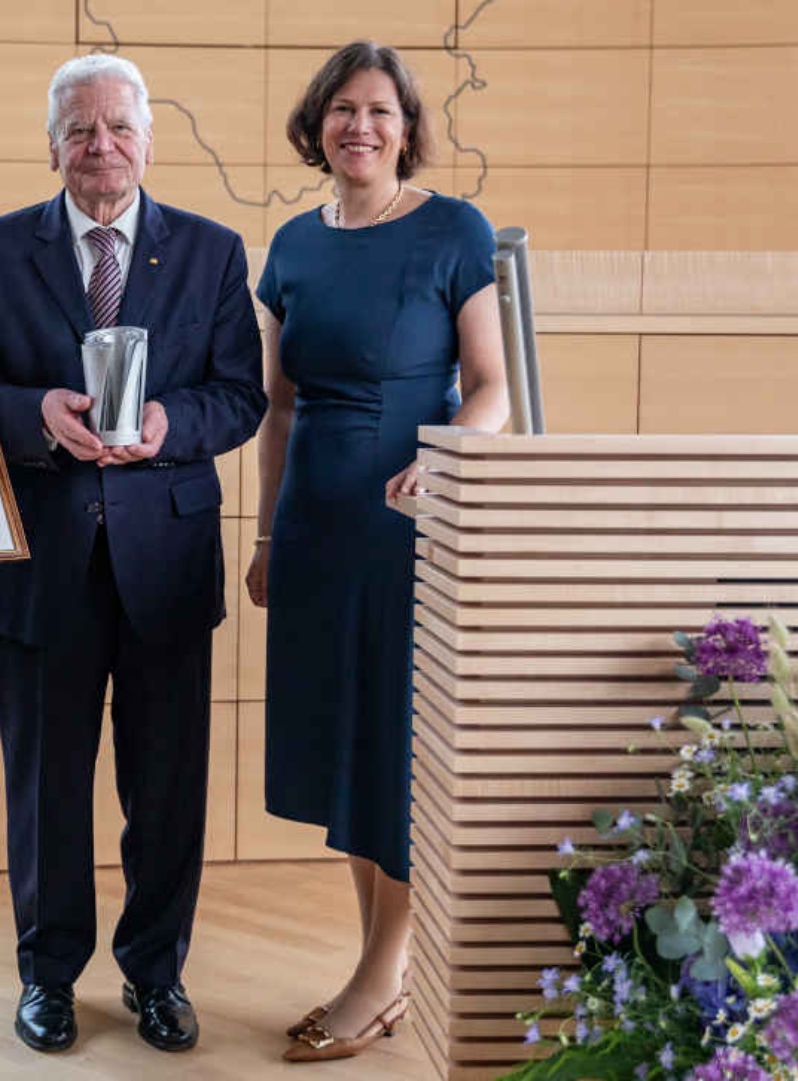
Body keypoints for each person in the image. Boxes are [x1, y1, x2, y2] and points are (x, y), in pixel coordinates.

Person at [0, 53, 265, 1057]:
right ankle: (47, 976)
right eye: (81, 129)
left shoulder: (212, 252)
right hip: (37, 563)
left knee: (165, 787)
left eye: (119, 127)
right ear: (52, 145)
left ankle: (155, 972)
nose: (101, 145)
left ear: (148, 141)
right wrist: (36, 414)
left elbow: (242, 395)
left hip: (163, 563)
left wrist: (169, 423)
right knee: (45, 786)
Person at [245, 40, 511, 1064]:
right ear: (318, 124)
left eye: (382, 111)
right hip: (315, 523)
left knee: (394, 747)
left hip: (406, 528)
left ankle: (379, 975)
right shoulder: (292, 245)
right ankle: (380, 965)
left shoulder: (453, 229)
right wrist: (266, 534)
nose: (362, 126)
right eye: (344, 109)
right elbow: (277, 404)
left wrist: (443, 463)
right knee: (341, 744)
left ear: (409, 129)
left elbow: (492, 388)